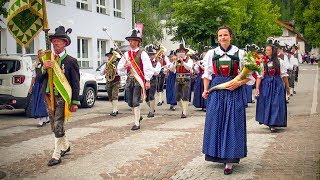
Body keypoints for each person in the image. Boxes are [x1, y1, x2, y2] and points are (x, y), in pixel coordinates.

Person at [202, 26, 253, 175]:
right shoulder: (212, 54)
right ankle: (218, 153)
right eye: (220, 35)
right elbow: (207, 74)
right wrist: (206, 90)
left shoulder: (240, 53)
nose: (223, 37)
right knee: (216, 121)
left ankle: (229, 160)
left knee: (232, 122)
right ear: (217, 38)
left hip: (234, 91)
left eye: (225, 35)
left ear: (231, 36)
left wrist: (238, 83)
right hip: (217, 91)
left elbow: (250, 77)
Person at [42, 26, 80, 166]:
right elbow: (40, 78)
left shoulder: (70, 61)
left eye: (58, 41)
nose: (55, 43)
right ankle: (66, 146)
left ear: (65, 43)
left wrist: (75, 101)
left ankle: (56, 155)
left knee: (58, 124)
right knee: (54, 126)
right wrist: (43, 68)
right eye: (53, 41)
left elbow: (75, 83)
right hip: (48, 97)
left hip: (62, 98)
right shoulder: (47, 59)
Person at [117, 29, 154, 130]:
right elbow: (119, 68)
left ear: (138, 42)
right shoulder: (126, 54)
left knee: (135, 101)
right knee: (129, 102)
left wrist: (147, 81)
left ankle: (136, 123)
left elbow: (148, 68)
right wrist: (125, 65)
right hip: (130, 80)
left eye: (133, 40)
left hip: (139, 81)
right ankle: (138, 115)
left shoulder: (143, 54)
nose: (130, 42)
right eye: (129, 41)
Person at [255, 44, 289, 133]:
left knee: (276, 103)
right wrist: (257, 88)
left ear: (273, 51)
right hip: (266, 84)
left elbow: (284, 75)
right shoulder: (263, 62)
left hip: (277, 84)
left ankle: (274, 123)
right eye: (266, 50)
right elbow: (260, 76)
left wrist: (287, 87)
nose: (266, 52)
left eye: (268, 50)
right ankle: (270, 123)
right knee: (267, 103)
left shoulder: (280, 62)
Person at [168, 44, 193, 118]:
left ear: (185, 52)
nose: (181, 52)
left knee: (185, 95)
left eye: (182, 51)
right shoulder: (176, 60)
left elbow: (189, 68)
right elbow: (172, 69)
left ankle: (184, 112)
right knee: (177, 96)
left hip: (186, 78)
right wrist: (175, 63)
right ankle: (183, 109)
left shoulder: (189, 60)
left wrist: (183, 62)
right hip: (178, 78)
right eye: (179, 51)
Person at [29, 49, 49, 127]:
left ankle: (42, 120)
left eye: (41, 53)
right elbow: (34, 76)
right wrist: (31, 86)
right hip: (38, 84)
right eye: (39, 53)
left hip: (45, 84)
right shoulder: (36, 64)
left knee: (42, 102)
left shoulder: (47, 63)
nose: (40, 55)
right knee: (37, 102)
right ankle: (45, 119)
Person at [100, 48, 120, 116]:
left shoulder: (117, 63)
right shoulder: (106, 64)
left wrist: (116, 70)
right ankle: (115, 109)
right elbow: (101, 73)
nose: (109, 57)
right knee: (110, 96)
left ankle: (114, 111)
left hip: (116, 81)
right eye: (108, 56)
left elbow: (121, 72)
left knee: (115, 95)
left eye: (111, 55)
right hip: (108, 81)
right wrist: (104, 71)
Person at [144, 45, 161, 117]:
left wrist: (149, 68)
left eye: (152, 54)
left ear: (154, 55)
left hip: (153, 80)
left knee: (151, 95)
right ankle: (152, 108)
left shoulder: (158, 63)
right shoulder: (145, 62)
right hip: (146, 80)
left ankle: (151, 112)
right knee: (146, 98)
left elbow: (156, 72)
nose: (150, 56)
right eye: (149, 54)